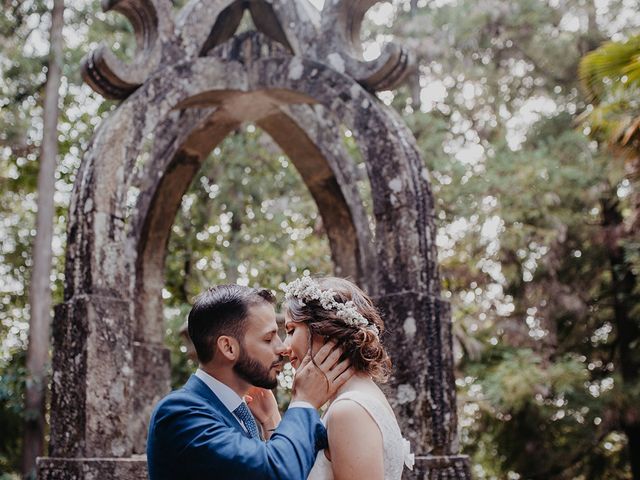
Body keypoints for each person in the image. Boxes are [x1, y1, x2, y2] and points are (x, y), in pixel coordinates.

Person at [146, 284, 354, 480]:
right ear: (228, 348)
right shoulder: (179, 413)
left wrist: (272, 421)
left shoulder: (241, 412)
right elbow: (275, 472)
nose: (282, 348)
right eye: (268, 338)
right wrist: (303, 401)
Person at [278, 276, 414, 479]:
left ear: (323, 329)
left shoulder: (349, 409)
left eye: (290, 330)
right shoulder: (355, 397)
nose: (284, 347)